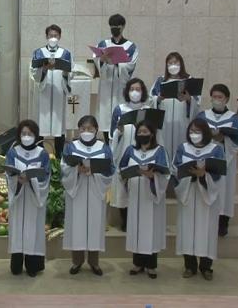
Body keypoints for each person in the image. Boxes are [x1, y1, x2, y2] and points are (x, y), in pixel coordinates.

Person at [61, 115, 114, 276]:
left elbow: (110, 169)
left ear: (96, 129)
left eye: (90, 128)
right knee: (77, 225)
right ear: (79, 130)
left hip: (96, 190)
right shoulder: (71, 147)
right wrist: (76, 170)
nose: (86, 131)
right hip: (77, 190)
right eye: (83, 128)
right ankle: (77, 261)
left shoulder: (103, 147)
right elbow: (64, 168)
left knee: (94, 226)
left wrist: (94, 170)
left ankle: (94, 262)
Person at [173, 118, 224, 280]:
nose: (194, 134)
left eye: (197, 131)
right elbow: (175, 170)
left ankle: (206, 267)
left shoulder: (216, 149)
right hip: (188, 193)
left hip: (206, 196)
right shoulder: (183, 148)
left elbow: (220, 174)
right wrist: (189, 175)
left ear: (206, 132)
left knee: (206, 230)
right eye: (191, 131)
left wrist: (204, 175)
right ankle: (189, 265)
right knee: (187, 230)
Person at [119, 121, 169, 279]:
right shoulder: (130, 150)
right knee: (136, 229)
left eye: (145, 131)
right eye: (139, 132)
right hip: (135, 196)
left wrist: (153, 176)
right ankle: (137, 263)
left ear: (152, 134)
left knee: (150, 230)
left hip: (151, 197)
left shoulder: (159, 151)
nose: (142, 134)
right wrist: (127, 175)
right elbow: (121, 169)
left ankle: (151, 265)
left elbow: (165, 174)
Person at [197, 84, 238, 236]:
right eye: (214, 97)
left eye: (220, 97)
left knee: (225, 190)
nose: (217, 100)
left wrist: (224, 138)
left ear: (226, 99)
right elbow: (194, 134)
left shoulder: (233, 118)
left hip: (225, 158)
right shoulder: (203, 116)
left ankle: (223, 222)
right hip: (206, 156)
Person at [6, 119, 51, 277]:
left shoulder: (42, 154)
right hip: (18, 199)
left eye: (30, 133)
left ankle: (33, 264)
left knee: (34, 229)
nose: (26, 136)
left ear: (36, 135)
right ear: (19, 135)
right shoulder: (13, 152)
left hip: (33, 199)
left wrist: (31, 180)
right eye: (23, 133)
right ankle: (16, 262)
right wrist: (16, 180)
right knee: (18, 229)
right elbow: (8, 174)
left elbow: (45, 176)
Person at [109, 78, 155, 231]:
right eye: (132, 89)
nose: (135, 92)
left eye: (138, 89)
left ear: (143, 92)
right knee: (123, 185)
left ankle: (140, 219)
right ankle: (125, 219)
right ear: (127, 91)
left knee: (139, 184)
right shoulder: (120, 109)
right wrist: (119, 131)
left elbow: (154, 132)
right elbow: (112, 134)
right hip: (124, 150)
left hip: (143, 152)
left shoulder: (148, 109)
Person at [95, 14, 139, 140]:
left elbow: (130, 65)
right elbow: (97, 63)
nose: (114, 29)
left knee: (120, 117)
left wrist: (117, 62)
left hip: (121, 87)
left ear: (123, 27)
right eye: (112, 26)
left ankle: (119, 144)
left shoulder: (131, 46)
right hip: (106, 86)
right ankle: (107, 144)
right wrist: (102, 60)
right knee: (105, 118)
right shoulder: (103, 44)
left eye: (117, 26)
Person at [30, 24, 72, 159]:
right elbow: (34, 73)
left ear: (60, 36)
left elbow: (70, 72)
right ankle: (40, 155)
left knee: (59, 126)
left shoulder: (66, 54)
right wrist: (44, 69)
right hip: (44, 93)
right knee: (41, 123)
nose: (53, 38)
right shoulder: (38, 53)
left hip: (59, 92)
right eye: (50, 35)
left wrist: (65, 72)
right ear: (46, 36)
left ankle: (59, 156)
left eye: (55, 35)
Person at [152, 52, 200, 167]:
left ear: (181, 64)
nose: (173, 65)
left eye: (176, 62)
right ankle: (166, 170)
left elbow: (197, 101)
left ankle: (180, 170)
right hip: (165, 122)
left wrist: (189, 99)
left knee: (181, 145)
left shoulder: (189, 80)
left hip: (182, 121)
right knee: (164, 146)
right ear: (166, 65)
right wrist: (158, 99)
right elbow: (151, 99)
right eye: (170, 63)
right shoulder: (161, 80)